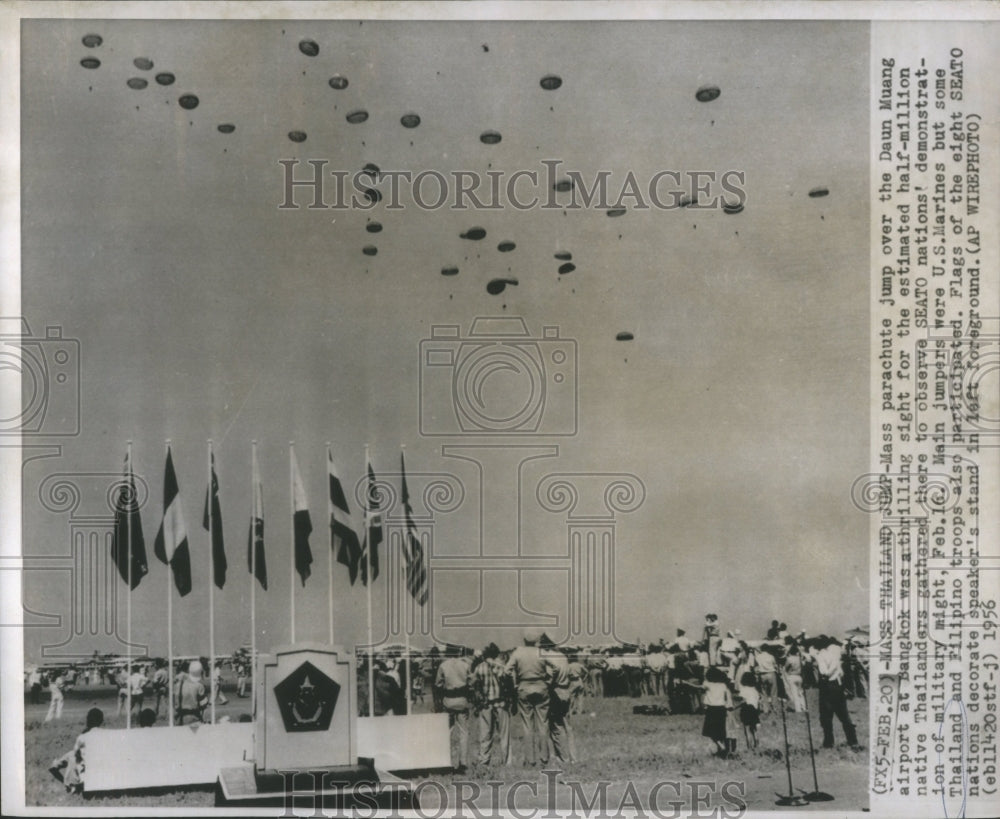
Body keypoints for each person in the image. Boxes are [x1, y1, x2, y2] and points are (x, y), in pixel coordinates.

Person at [505, 629, 556, 766]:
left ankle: (530, 759)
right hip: (541, 686)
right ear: (536, 640)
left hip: (524, 687)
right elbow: (555, 667)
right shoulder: (541, 652)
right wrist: (549, 680)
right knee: (543, 724)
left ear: (524, 640)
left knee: (527, 725)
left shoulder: (518, 653)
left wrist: (515, 682)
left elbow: (506, 670)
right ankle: (544, 757)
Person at [814, 636, 861, 750]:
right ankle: (853, 740)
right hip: (838, 686)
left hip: (827, 686)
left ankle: (828, 742)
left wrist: (825, 676)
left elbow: (823, 671)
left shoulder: (821, 655)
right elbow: (839, 670)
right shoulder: (834, 654)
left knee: (826, 717)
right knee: (844, 715)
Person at [472, 642, 512, 767]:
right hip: (500, 703)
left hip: (486, 704)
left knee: (485, 734)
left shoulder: (479, 668)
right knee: (504, 734)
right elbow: (508, 682)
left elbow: (475, 686)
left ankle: (484, 760)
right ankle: (506, 761)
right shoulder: (501, 666)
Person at [49, 707, 104, 793]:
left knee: (72, 755)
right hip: (100, 769)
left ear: (87, 720)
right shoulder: (105, 735)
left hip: (85, 770)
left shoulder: (83, 737)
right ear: (101, 721)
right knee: (74, 756)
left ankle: (69, 783)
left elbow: (76, 752)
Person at [436, 648, 473, 772]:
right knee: (464, 732)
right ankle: (463, 762)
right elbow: (471, 683)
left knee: (447, 732)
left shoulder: (443, 665)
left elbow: (438, 684)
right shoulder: (465, 665)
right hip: (462, 700)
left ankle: (447, 761)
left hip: (448, 700)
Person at [548, 649, 579, 764]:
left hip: (555, 692)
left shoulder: (547, 658)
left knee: (556, 727)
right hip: (565, 691)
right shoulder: (562, 656)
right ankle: (573, 756)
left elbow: (550, 676)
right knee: (568, 727)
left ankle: (563, 757)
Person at [701, 666, 734, 757]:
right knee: (721, 730)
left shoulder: (707, 684)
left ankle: (720, 746)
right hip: (721, 708)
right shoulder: (723, 685)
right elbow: (727, 697)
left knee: (709, 731)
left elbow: (701, 686)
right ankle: (721, 750)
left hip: (711, 709)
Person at [174, 660, 208, 724]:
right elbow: (203, 705)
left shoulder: (177, 685)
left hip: (179, 717)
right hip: (194, 716)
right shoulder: (199, 685)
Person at [737, 671, 760, 750]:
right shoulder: (755, 690)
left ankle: (749, 746)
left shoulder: (743, 690)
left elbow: (742, 700)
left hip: (746, 709)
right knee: (754, 728)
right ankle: (757, 743)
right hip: (755, 710)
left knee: (747, 729)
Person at [754, 645, 779, 715]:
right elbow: (775, 665)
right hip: (771, 673)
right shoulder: (771, 656)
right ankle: (775, 708)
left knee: (763, 692)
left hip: (762, 674)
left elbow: (755, 666)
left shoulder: (758, 657)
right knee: (773, 692)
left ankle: (766, 709)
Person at [782, 643, 806, 713]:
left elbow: (786, 668)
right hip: (799, 676)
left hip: (792, 676)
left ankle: (798, 709)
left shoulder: (789, 659)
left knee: (794, 693)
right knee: (800, 693)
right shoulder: (799, 658)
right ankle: (804, 707)